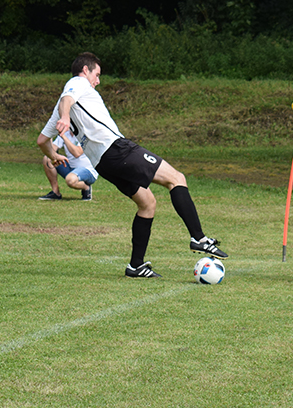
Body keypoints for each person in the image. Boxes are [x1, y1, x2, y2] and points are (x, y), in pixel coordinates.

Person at [37, 52, 228, 278]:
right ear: (85, 71)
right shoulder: (77, 83)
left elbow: (41, 140)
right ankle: (199, 238)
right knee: (176, 178)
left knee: (147, 203)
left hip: (103, 164)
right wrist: (66, 118)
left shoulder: (59, 107)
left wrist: (53, 153)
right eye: (96, 74)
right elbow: (67, 100)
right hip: (117, 149)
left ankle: (135, 265)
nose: (98, 81)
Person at [38, 131, 97, 201]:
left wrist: (63, 136)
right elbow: (52, 150)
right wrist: (49, 138)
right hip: (71, 168)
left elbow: (77, 153)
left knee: (70, 180)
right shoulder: (66, 133)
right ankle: (55, 193)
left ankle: (86, 187)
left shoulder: (84, 134)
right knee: (47, 158)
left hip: (88, 170)